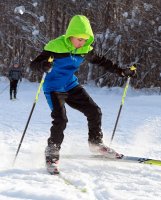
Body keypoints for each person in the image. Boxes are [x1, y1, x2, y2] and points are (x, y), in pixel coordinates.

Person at [30, 15, 136, 174]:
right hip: (54, 87)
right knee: (61, 119)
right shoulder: (55, 46)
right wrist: (44, 65)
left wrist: (121, 71)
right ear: (71, 35)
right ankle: (52, 152)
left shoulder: (84, 49)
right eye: (79, 39)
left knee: (94, 111)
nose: (82, 43)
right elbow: (33, 65)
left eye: (85, 40)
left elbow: (102, 61)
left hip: (70, 85)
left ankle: (96, 144)